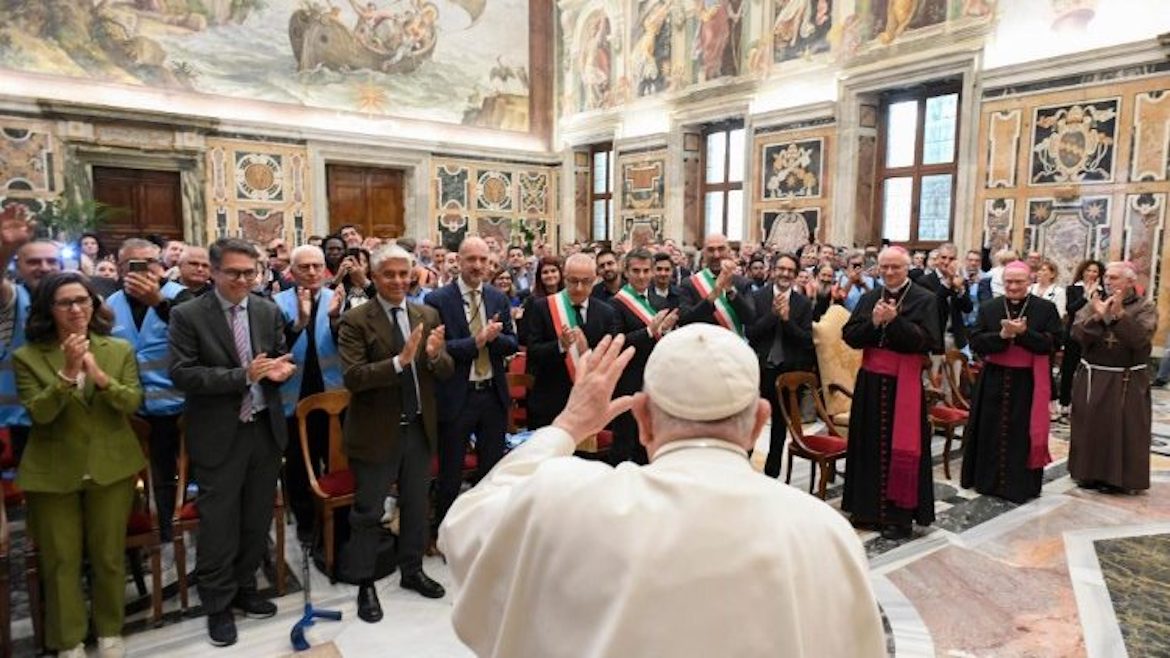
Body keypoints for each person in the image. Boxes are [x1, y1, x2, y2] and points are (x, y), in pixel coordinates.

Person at [439, 328, 885, 658]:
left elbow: (463, 527)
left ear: (643, 419)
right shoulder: (824, 531)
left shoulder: (565, 497)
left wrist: (568, 427)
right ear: (758, 422)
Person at [168, 238, 296, 647]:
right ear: (213, 272)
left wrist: (280, 371)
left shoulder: (266, 309)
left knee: (256, 519)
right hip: (219, 433)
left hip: (263, 429)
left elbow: (279, 356)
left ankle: (245, 587)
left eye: (250, 273)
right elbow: (183, 374)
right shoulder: (188, 314)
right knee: (219, 524)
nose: (243, 280)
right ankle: (218, 603)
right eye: (234, 273)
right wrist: (243, 375)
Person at [14, 272, 145, 658]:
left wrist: (100, 377)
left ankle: (109, 630)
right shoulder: (27, 356)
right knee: (60, 561)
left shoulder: (117, 349)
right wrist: (68, 374)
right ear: (48, 309)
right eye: (65, 303)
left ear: (94, 304)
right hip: (53, 470)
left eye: (83, 300)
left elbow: (131, 402)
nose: (76, 309)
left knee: (108, 556)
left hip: (111, 464)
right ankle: (69, 640)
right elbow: (39, 414)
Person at [338, 245, 454, 620]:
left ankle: (412, 570)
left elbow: (446, 370)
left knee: (416, 506)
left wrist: (434, 355)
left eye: (404, 274)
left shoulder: (427, 313)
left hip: (418, 428)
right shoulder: (356, 319)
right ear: (374, 277)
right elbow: (354, 377)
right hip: (376, 432)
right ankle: (365, 582)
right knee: (369, 511)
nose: (399, 281)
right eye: (389, 274)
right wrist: (399, 362)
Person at [841, 247, 940, 540]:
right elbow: (850, 336)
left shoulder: (925, 299)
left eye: (895, 267)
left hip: (904, 384)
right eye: (884, 267)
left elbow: (928, 342)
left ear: (907, 268)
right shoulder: (870, 297)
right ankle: (866, 510)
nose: (889, 272)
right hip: (870, 384)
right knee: (868, 445)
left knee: (904, 446)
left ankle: (900, 517)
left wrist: (895, 322)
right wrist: (873, 322)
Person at [425, 236, 518, 533]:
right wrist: (476, 341)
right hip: (458, 396)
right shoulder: (438, 300)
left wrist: (493, 339)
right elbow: (437, 350)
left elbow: (511, 343)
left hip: (492, 394)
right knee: (451, 471)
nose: (478, 266)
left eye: (483, 260)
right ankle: (445, 532)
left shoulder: (497, 297)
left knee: (491, 470)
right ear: (458, 261)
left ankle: (485, 530)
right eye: (471, 260)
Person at [106, 238, 192, 542]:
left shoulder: (180, 296)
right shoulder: (109, 305)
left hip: (181, 404)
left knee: (189, 470)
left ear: (162, 266)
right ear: (119, 269)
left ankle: (188, 524)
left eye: (150, 263)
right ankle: (163, 531)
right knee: (155, 475)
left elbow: (196, 335)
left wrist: (158, 302)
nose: (143, 270)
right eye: (133, 265)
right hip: (134, 409)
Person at [961, 262, 1063, 503]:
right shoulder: (990, 307)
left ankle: (1019, 486)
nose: (1014, 286)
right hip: (993, 379)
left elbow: (1054, 343)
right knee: (989, 430)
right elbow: (975, 341)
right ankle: (986, 482)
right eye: (1009, 282)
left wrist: (1024, 334)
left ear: (1030, 281)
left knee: (1021, 434)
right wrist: (1002, 336)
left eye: (1019, 282)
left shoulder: (1045, 309)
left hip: (1027, 383)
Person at [273, 245, 345, 544]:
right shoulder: (276, 304)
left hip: (334, 395)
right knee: (300, 464)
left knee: (336, 460)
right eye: (304, 267)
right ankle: (306, 522)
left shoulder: (337, 299)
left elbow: (350, 346)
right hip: (294, 396)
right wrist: (299, 324)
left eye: (317, 266)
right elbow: (272, 350)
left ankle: (337, 520)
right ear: (292, 271)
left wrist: (336, 320)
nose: (313, 272)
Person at [1068, 262, 1156, 494]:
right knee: (1089, 425)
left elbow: (1141, 340)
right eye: (1107, 276)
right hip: (1093, 376)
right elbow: (1076, 334)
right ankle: (1087, 474)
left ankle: (1120, 479)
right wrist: (1098, 317)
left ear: (1131, 281)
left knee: (1124, 428)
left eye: (1114, 277)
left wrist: (1119, 316)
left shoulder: (1145, 307)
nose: (1107, 281)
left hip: (1126, 380)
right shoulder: (1094, 303)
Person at [526, 253, 621, 429]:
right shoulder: (542, 307)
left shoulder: (606, 312)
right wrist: (560, 346)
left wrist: (587, 352)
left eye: (586, 282)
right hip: (551, 402)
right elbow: (533, 352)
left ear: (595, 279)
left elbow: (611, 357)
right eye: (573, 281)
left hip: (589, 401)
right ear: (564, 277)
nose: (579, 288)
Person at [746, 253, 814, 478]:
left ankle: (772, 473)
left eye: (790, 271)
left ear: (795, 275)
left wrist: (786, 321)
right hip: (760, 370)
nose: (785, 274)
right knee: (751, 421)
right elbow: (751, 333)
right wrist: (773, 316)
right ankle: (743, 469)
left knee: (779, 427)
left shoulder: (803, 303)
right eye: (781, 269)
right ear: (773, 271)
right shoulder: (757, 297)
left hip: (786, 373)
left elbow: (806, 340)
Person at [608, 248, 678, 464]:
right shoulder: (615, 304)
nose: (641, 276)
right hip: (628, 381)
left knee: (650, 441)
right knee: (625, 442)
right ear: (626, 272)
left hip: (655, 379)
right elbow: (617, 342)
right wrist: (649, 331)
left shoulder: (659, 301)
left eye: (646, 271)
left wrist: (666, 330)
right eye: (636, 271)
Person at [0, 225, 62, 464]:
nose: (44, 268)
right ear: (18, 267)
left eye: (51, 261)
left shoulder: (78, 299)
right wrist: (8, 248)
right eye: (34, 262)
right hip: (20, 420)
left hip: (68, 415)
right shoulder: (12, 298)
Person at [678, 234, 755, 335]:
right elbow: (684, 321)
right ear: (704, 253)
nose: (716, 255)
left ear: (729, 251)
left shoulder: (743, 283)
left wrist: (730, 291)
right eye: (710, 250)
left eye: (721, 249)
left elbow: (750, 319)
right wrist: (713, 296)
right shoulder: (690, 283)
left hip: (732, 343)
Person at [1058, 260, 1107, 418]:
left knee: (1090, 369)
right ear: (1083, 272)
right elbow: (1070, 309)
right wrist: (1086, 296)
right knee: (1068, 368)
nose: (1091, 274)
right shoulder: (1073, 289)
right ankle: (1065, 402)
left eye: (1095, 271)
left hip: (1094, 334)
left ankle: (1088, 403)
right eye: (1088, 270)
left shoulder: (1103, 291)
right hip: (1074, 333)